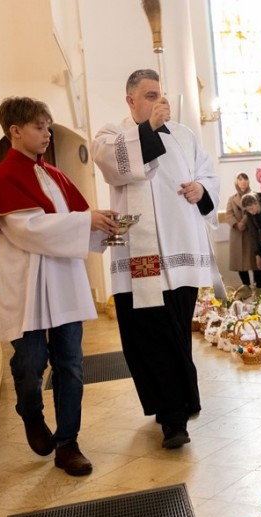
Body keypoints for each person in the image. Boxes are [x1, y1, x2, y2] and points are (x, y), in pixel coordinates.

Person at [0, 96, 117, 474]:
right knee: (30, 364)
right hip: (27, 289)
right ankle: (30, 412)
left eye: (48, 126)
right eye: (39, 127)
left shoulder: (56, 176)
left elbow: (77, 222)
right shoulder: (2, 178)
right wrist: (85, 222)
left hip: (64, 284)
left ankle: (68, 443)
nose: (47, 133)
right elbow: (28, 230)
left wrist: (104, 227)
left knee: (70, 365)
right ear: (15, 131)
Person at [92, 69, 219, 449]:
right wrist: (148, 128)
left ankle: (179, 406)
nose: (158, 101)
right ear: (130, 100)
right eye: (149, 96)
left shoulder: (183, 134)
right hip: (139, 262)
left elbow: (208, 174)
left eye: (160, 94)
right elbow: (116, 167)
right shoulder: (111, 136)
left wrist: (201, 188)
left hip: (181, 257)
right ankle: (172, 415)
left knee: (177, 335)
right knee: (148, 341)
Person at [225, 172, 260, 286]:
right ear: (236, 182)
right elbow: (228, 214)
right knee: (240, 263)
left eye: (245, 179)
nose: (243, 182)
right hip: (237, 234)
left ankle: (257, 287)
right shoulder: (232, 198)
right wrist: (236, 224)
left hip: (251, 232)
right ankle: (246, 287)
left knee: (254, 262)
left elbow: (252, 211)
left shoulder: (255, 195)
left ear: (249, 181)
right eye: (240, 179)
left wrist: (243, 222)